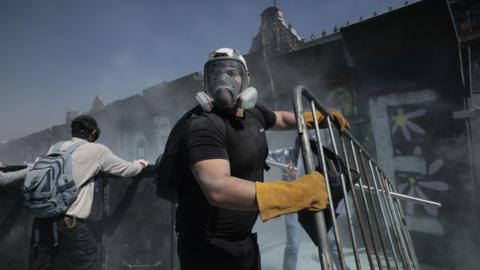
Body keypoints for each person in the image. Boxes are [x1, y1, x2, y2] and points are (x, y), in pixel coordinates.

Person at [174, 48, 350, 270]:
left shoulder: (253, 112)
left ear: (246, 79)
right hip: (206, 248)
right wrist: (296, 193)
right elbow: (218, 188)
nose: (223, 79)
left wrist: (314, 118)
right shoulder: (203, 124)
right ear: (205, 81)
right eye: (215, 73)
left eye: (232, 72)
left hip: (243, 241)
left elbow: (282, 119)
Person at [28, 115, 148, 270]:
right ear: (93, 134)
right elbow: (126, 169)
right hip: (69, 223)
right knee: (87, 257)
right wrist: (139, 164)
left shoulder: (55, 147)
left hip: (42, 221)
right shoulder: (96, 150)